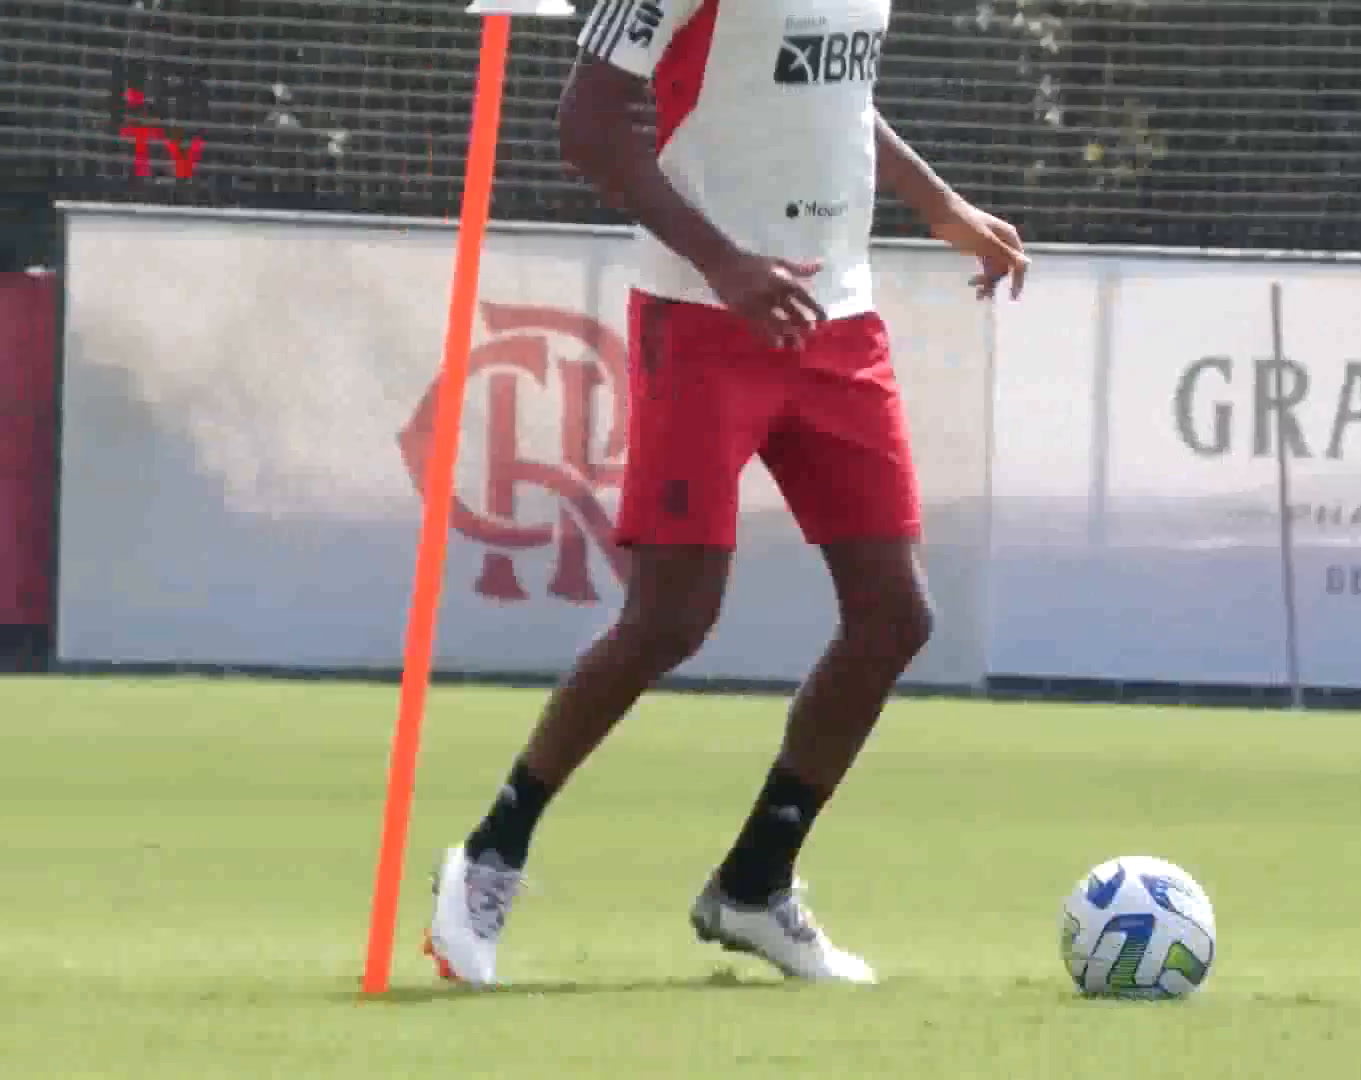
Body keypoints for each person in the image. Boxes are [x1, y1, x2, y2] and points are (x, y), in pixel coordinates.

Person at [424, 0, 1028, 988]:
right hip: (701, 317)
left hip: (837, 318)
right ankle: (492, 852)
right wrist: (726, 264)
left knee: (894, 615)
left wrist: (940, 205)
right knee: (672, 618)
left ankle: (755, 884)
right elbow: (587, 118)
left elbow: (835, 96)